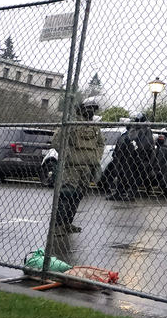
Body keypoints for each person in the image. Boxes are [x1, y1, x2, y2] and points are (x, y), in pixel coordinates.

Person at [51, 97, 104, 234]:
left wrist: (96, 157)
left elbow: (100, 144)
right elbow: (57, 140)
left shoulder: (94, 126)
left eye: (93, 108)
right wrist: (67, 154)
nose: (91, 111)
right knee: (66, 195)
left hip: (87, 167)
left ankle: (68, 223)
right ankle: (57, 226)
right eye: (89, 108)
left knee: (78, 196)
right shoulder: (71, 123)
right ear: (82, 109)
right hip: (72, 167)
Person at [107, 112, 155, 201]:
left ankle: (131, 193)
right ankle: (119, 192)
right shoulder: (132, 130)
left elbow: (145, 145)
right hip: (126, 156)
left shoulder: (146, 131)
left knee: (134, 176)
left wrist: (140, 156)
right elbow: (124, 141)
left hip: (136, 157)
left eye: (138, 121)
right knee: (122, 174)